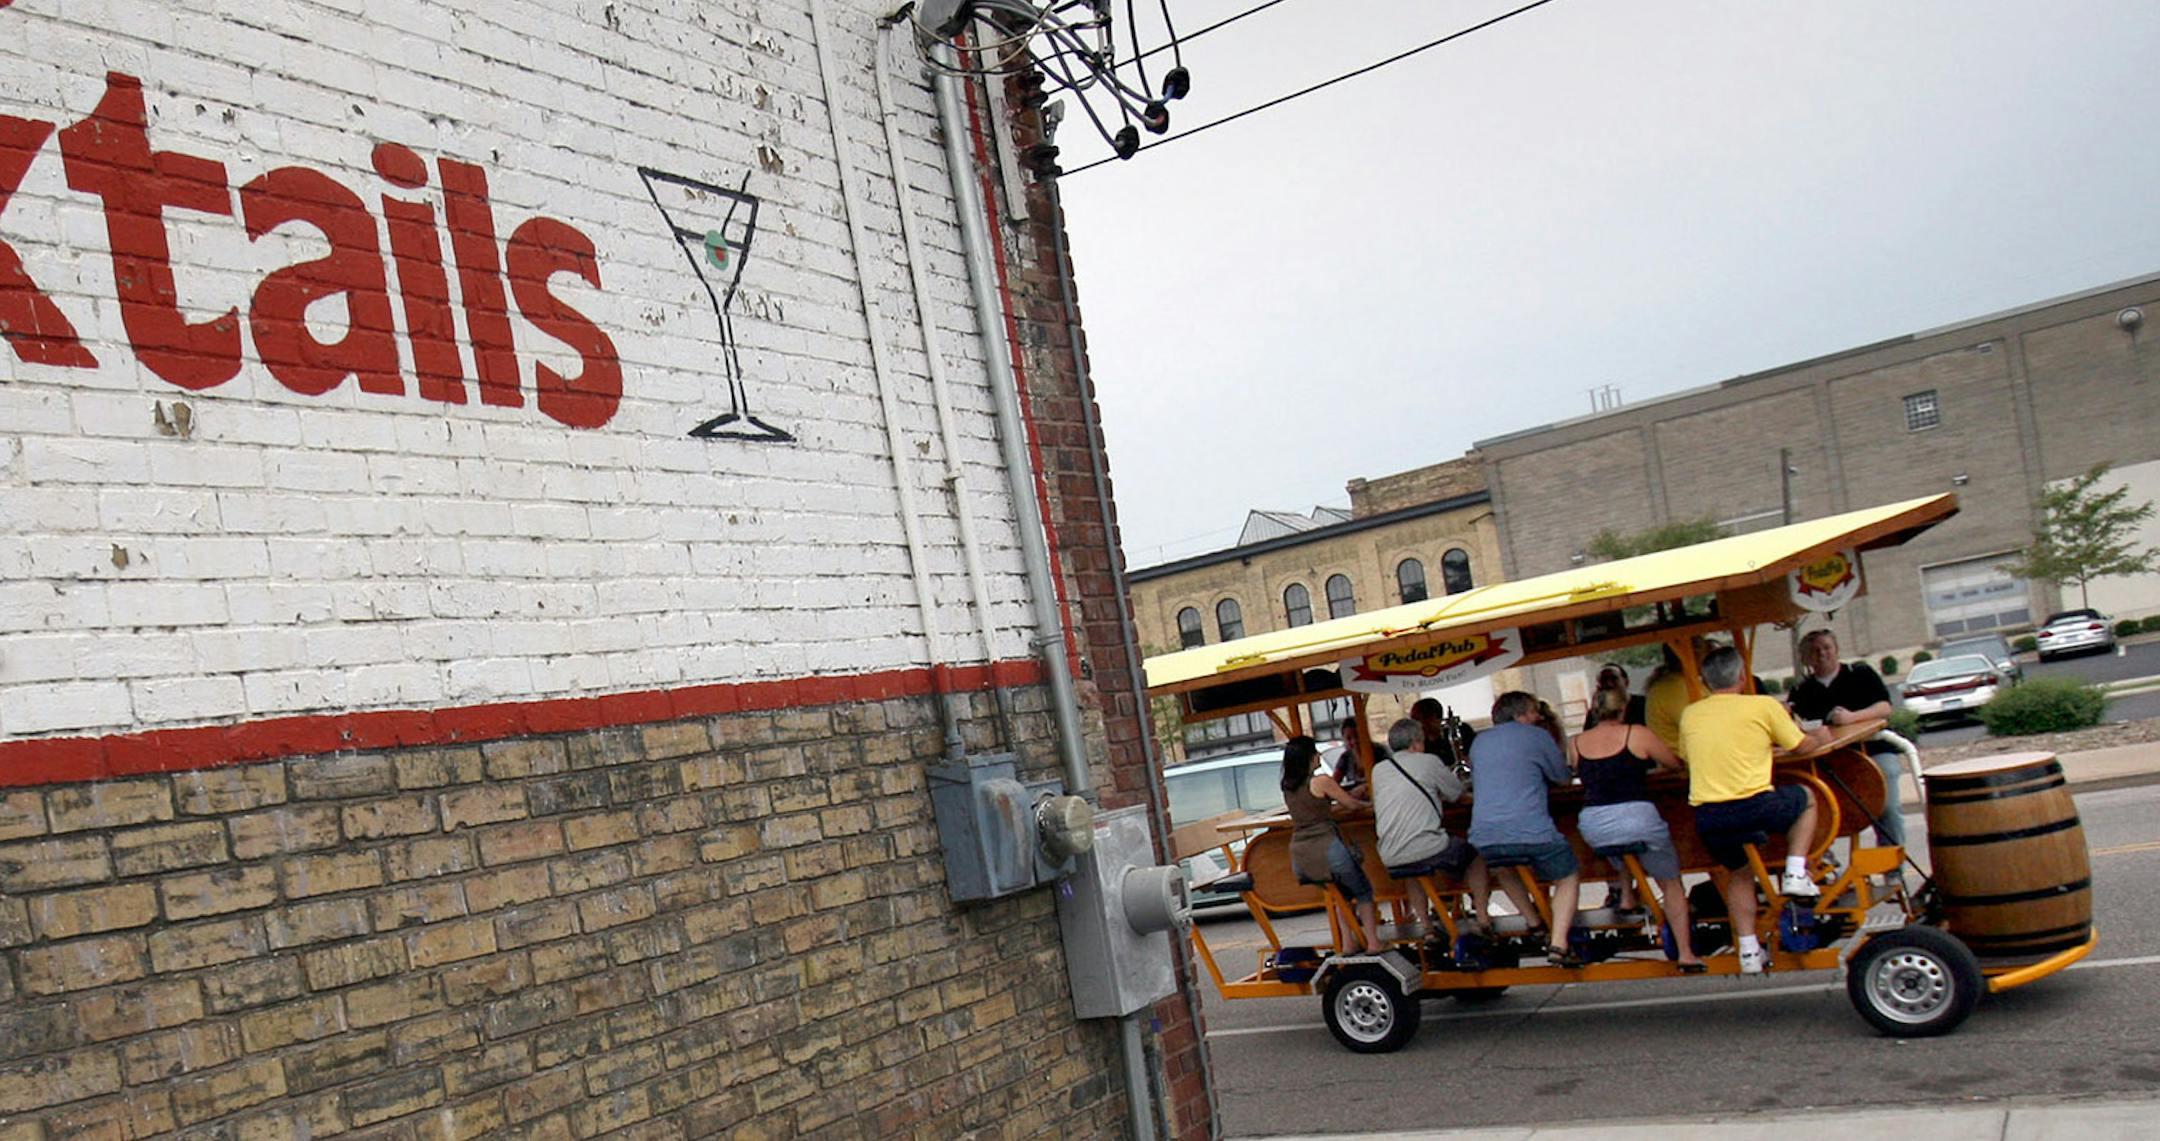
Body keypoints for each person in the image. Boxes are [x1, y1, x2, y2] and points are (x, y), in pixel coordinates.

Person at [1679, 646, 1834, 974]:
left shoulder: (1690, 715)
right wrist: (1820, 736)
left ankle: (1749, 951)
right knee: (1807, 797)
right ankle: (1795, 872)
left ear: (1705, 682)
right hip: (1754, 805)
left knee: (1739, 873)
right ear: (1742, 676)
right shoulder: (1762, 706)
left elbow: (1687, 757)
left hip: (1709, 816)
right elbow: (1801, 745)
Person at [1570, 687, 1704, 972]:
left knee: (1619, 845)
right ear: (1624, 709)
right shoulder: (1637, 734)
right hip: (1636, 817)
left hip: (1594, 824)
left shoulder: (1576, 742)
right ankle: (1685, 953)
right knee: (1670, 883)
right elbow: (1674, 764)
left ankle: (1627, 895)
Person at [1466, 691, 1585, 966]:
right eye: (1532, 711)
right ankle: (1558, 943)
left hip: (1485, 836)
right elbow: (1562, 778)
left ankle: (1534, 923)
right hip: (1532, 830)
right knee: (1567, 875)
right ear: (1519, 715)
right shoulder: (1537, 736)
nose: (1537, 716)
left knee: (1502, 866)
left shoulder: (1479, 741)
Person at [1786, 628, 1905, 849]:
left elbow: (1884, 707)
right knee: (1812, 805)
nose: (1822, 654)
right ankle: (1822, 861)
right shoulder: (1802, 690)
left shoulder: (1860, 673)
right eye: (1815, 651)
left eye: (1826, 648)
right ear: (1806, 657)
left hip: (1873, 749)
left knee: (1887, 806)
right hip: (1831, 760)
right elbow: (1795, 723)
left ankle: (1892, 861)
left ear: (1836, 649)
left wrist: (1851, 717)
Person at [1372, 718, 1482, 934]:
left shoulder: (1379, 770)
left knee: (1412, 873)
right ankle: (1483, 917)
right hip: (1427, 847)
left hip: (1390, 853)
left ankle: (1426, 926)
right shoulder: (1429, 761)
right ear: (1415, 743)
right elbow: (1456, 792)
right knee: (1475, 857)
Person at [1281, 735, 1381, 953]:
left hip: (1301, 855)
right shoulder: (1322, 781)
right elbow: (1351, 805)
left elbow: (1317, 806)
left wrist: (1347, 796)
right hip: (1327, 847)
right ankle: (1374, 943)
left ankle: (1348, 944)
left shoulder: (1287, 786)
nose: (1318, 755)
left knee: (1341, 896)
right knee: (1363, 891)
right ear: (1309, 758)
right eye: (1315, 752)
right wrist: (1369, 804)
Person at [1325, 716, 1387, 794]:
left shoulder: (1380, 751)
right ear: (1344, 740)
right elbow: (1334, 783)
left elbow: (1388, 776)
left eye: (1357, 736)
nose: (1354, 741)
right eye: (1349, 738)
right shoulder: (1345, 758)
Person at [1409, 697, 1473, 772]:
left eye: (1418, 720)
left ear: (1433, 718)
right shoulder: (1420, 744)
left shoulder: (1461, 731)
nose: (1416, 725)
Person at [1580, 662, 1647, 731]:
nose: (1609, 684)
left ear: (1626, 682)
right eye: (1604, 679)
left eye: (1614, 678)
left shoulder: (1644, 704)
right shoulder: (1595, 712)